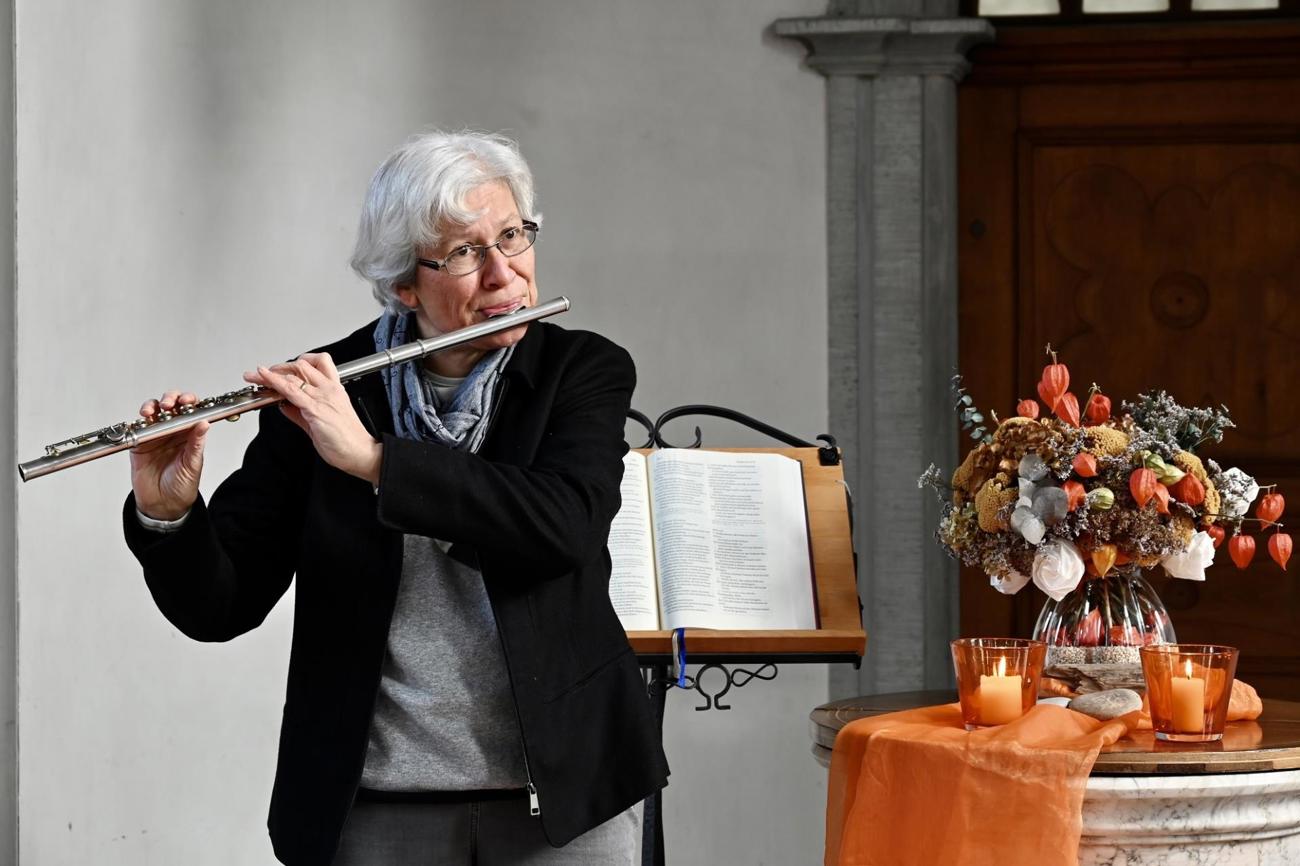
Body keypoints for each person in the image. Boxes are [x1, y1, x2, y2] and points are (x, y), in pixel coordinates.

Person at [123, 130, 669, 866]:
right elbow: (221, 607)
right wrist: (171, 514)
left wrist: (377, 461)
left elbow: (561, 526)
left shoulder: (582, 370)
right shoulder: (324, 393)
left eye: (513, 236)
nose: (505, 274)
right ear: (404, 284)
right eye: (467, 253)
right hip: (374, 807)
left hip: (563, 803)